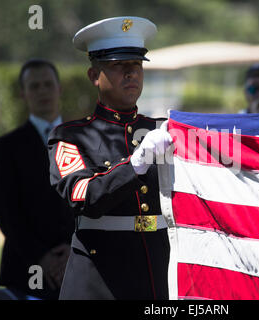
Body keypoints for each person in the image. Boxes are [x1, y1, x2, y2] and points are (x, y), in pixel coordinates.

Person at [48, 17, 172, 300]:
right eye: (118, 66)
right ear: (94, 76)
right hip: (99, 277)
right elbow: (83, 197)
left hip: (156, 269)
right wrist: (135, 165)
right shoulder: (70, 136)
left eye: (137, 65)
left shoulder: (161, 130)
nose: (131, 73)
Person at [0, 59, 75, 300]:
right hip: (25, 270)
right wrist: (42, 257)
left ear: (59, 88)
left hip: (79, 264)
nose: (42, 91)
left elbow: (93, 201)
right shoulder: (6, 147)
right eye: (34, 86)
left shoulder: (84, 139)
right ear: (23, 94)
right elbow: (4, 209)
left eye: (48, 84)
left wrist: (74, 249)